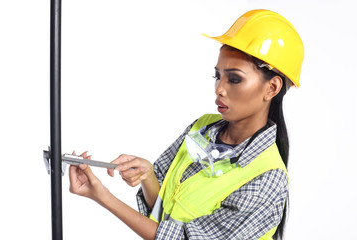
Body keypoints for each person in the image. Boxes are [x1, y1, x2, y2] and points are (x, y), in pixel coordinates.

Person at [69, 9, 304, 240]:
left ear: (271, 88)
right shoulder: (202, 127)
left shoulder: (267, 178)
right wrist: (148, 175)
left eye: (234, 79)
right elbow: (164, 214)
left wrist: (102, 196)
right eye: (217, 76)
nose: (219, 89)